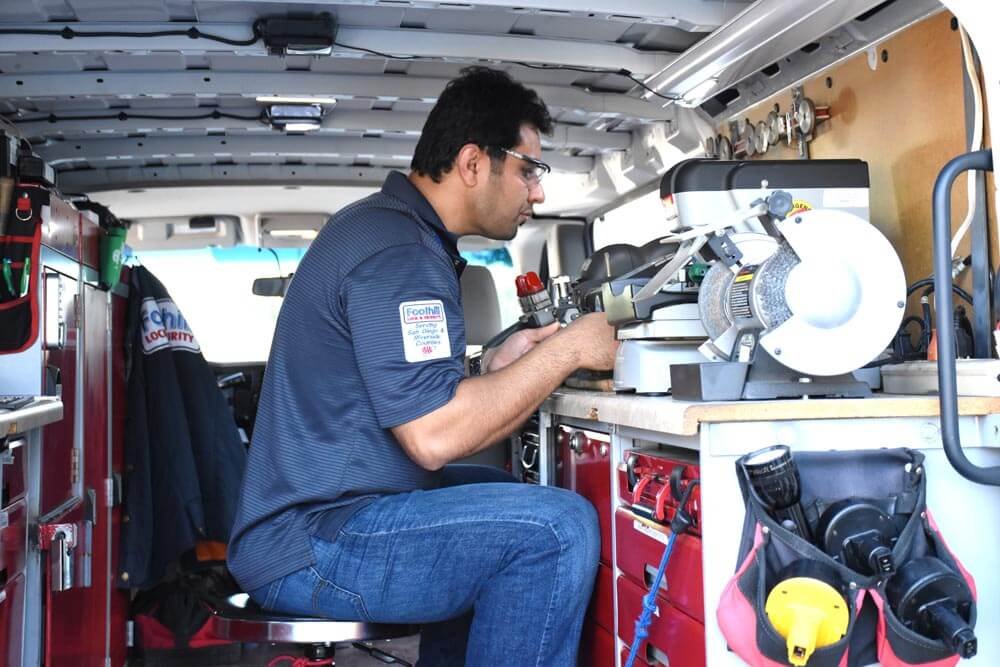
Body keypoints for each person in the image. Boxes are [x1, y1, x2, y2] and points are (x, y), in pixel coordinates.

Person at [228, 66, 619, 666]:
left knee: (499, 493)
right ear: (473, 163)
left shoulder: (395, 233)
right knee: (554, 530)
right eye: (528, 170)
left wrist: (489, 367)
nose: (537, 193)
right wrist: (570, 349)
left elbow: (405, 392)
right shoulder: (401, 253)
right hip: (312, 542)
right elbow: (434, 437)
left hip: (315, 522)